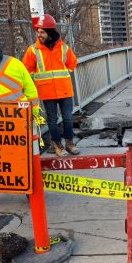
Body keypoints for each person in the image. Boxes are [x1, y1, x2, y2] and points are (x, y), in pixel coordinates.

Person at [0, 23, 57, 256]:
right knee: (30, 166)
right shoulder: (14, 63)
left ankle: (7, 185)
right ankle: (28, 190)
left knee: (4, 164)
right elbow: (31, 92)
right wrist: (34, 115)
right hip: (26, 126)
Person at [22, 14, 79, 157]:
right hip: (47, 92)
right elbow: (25, 69)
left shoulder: (63, 48)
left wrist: (63, 74)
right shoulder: (33, 50)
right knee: (52, 120)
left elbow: (72, 64)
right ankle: (57, 145)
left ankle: (69, 143)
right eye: (38, 31)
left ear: (50, 32)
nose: (39, 34)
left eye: (42, 32)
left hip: (65, 90)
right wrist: (36, 78)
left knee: (68, 118)